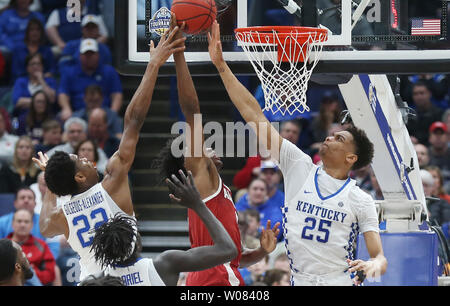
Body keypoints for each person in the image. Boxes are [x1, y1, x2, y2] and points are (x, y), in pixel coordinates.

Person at [208, 20, 387, 285]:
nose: (329, 137)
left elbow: (380, 259)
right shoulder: (298, 164)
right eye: (332, 133)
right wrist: (222, 66)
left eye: (339, 138)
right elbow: (255, 116)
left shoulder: (360, 199)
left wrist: (372, 264)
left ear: (351, 158)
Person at [32, 24, 186, 282]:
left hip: (90, 281)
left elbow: (45, 226)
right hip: (131, 277)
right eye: (80, 160)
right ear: (79, 178)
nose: (87, 159)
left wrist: (50, 181)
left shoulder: (62, 215)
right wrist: (153, 66)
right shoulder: (112, 183)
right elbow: (133, 121)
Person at [154, 17, 280, 286]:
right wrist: (179, 55)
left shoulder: (212, 190)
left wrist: (261, 252)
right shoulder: (199, 175)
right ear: (190, 162)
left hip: (214, 272)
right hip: (217, 278)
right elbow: (192, 112)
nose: (208, 147)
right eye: (200, 148)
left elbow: (233, 257)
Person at [89, 171, 239, 286]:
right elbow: (228, 250)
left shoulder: (97, 279)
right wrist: (198, 205)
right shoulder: (165, 264)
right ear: (137, 241)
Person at [58, 39, 123, 121]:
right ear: (80, 56)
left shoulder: (109, 71)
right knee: (63, 117)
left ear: (98, 55)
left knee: (117, 120)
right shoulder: (69, 72)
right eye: (86, 54)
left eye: (92, 54)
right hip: (77, 114)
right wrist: (66, 109)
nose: (89, 57)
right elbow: (63, 93)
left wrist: (113, 112)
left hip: (104, 114)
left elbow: (117, 94)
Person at [0, 187, 60, 258]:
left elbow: (54, 246)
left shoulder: (47, 222)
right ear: (15, 203)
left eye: (30, 198)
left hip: (39, 263)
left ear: (35, 204)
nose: (26, 200)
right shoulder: (1, 222)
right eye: (22, 198)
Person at [7, 209, 56, 285]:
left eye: (26, 222)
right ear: (12, 224)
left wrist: (31, 272)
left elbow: (50, 274)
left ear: (32, 225)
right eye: (19, 221)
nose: (23, 225)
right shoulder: (4, 246)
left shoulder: (41, 246)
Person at [11, 53, 57, 117]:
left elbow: (52, 99)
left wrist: (41, 80)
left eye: (38, 64)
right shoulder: (20, 81)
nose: (35, 66)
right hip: (25, 116)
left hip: (47, 117)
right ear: (27, 68)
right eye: (32, 64)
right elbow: (18, 102)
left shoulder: (50, 81)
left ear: (42, 66)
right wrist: (42, 102)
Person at [406, 81, 444, 146]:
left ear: (429, 94)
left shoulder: (440, 114)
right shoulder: (409, 115)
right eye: (415, 94)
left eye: (422, 93)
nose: (419, 96)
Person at [428, 122, 450, 188]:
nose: (438, 137)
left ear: (447, 137)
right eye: (435, 133)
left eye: (441, 134)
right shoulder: (425, 154)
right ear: (430, 138)